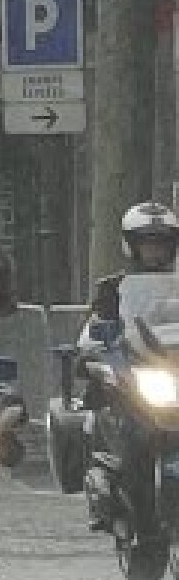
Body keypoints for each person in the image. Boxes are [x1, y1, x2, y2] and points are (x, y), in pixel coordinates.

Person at [79, 202, 179, 531]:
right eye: (147, 243)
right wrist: (93, 349)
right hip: (135, 372)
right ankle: (114, 496)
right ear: (131, 245)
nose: (154, 250)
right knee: (130, 428)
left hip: (173, 369)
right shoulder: (112, 288)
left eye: (161, 242)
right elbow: (94, 328)